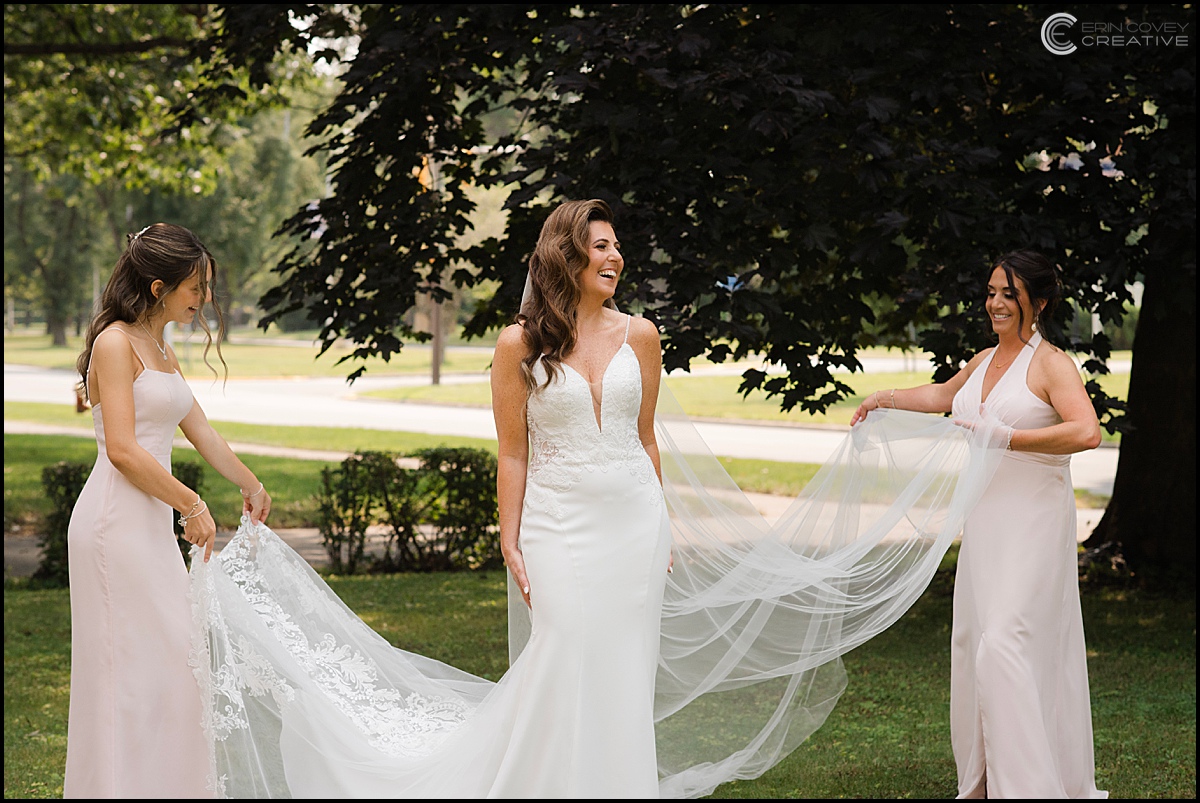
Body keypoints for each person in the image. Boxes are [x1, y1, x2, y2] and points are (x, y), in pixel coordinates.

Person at [187, 201, 1018, 799]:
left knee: (619, 663)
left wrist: (662, 520)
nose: (615, 258)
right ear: (564, 256)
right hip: (554, 521)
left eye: (619, 246)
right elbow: (512, 451)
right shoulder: (517, 344)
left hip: (630, 521)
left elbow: (646, 437)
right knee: (563, 648)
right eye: (599, 247)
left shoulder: (642, 335)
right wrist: (508, 536)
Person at [851, 249, 1107, 799]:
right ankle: (986, 781)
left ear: (1036, 303)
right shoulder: (984, 358)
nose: (995, 303)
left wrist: (1010, 439)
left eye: (1008, 294)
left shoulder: (1051, 364)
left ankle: (1030, 787)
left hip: (1034, 522)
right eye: (991, 292)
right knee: (974, 644)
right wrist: (882, 398)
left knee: (1006, 644)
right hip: (987, 521)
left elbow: (1087, 432)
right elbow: (945, 396)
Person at [64, 222, 272, 799]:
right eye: (194, 287)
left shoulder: (161, 348)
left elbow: (197, 426)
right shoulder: (114, 343)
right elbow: (125, 450)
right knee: (123, 671)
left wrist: (249, 483)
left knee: (174, 666)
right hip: (113, 526)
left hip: (148, 524)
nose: (202, 298)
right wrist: (192, 502)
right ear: (158, 287)